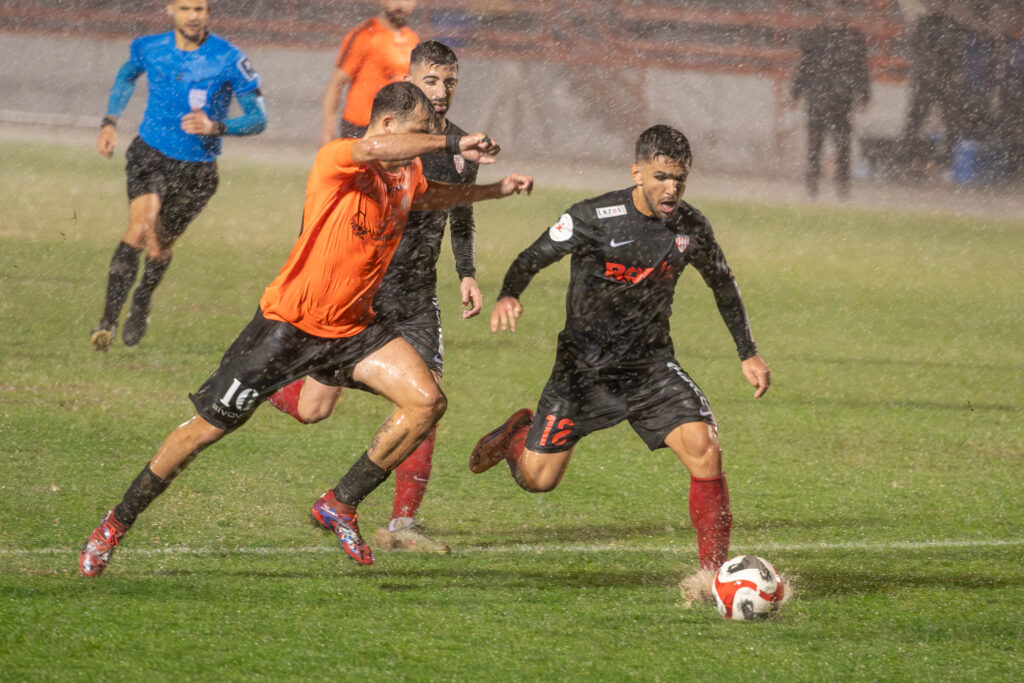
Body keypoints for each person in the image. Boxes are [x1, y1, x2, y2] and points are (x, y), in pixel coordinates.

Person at [79, 81, 534, 576]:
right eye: (418, 133)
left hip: (352, 329)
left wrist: (493, 190)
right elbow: (373, 149)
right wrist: (452, 142)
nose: (424, 145)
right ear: (387, 125)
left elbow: (428, 196)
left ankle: (340, 503)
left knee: (426, 402)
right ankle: (115, 524)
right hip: (287, 327)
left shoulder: (407, 172)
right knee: (202, 433)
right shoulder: (340, 158)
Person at [468, 125, 770, 599]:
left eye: (680, 179)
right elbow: (533, 256)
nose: (671, 189)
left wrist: (747, 352)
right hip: (582, 373)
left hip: (651, 369)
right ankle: (517, 437)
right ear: (637, 172)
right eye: (661, 176)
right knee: (537, 480)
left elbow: (723, 284)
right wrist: (509, 294)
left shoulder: (691, 227)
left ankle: (712, 576)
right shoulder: (593, 217)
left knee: (705, 448)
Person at [266, 41, 480, 554]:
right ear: (410, 80)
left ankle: (402, 523)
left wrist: (467, 272)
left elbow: (462, 213)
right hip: (362, 289)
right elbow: (326, 208)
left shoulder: (461, 149)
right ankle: (262, 382)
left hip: (417, 295)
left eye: (450, 82)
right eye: (431, 81)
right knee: (314, 408)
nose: (441, 91)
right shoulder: (378, 141)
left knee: (426, 399)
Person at [90, 0, 268, 351]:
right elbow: (126, 75)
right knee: (140, 227)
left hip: (196, 170)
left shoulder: (229, 59)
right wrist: (110, 121)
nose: (193, 16)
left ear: (208, 12)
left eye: (199, 8)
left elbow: (258, 119)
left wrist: (217, 126)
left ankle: (143, 298)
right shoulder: (149, 47)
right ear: (170, 9)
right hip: (150, 153)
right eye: (185, 8)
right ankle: (107, 322)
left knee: (158, 249)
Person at [791, 1, 870, 199]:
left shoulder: (854, 38)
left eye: (838, 8)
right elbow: (804, 66)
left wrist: (864, 94)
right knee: (814, 144)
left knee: (843, 145)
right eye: (831, 8)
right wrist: (795, 93)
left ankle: (842, 187)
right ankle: (812, 186)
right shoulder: (814, 36)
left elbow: (861, 68)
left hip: (842, 99)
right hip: (818, 97)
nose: (835, 12)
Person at [320, 0, 419, 145]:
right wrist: (328, 130)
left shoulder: (412, 38)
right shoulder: (365, 34)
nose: (401, 5)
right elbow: (336, 83)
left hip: (394, 128)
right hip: (361, 127)